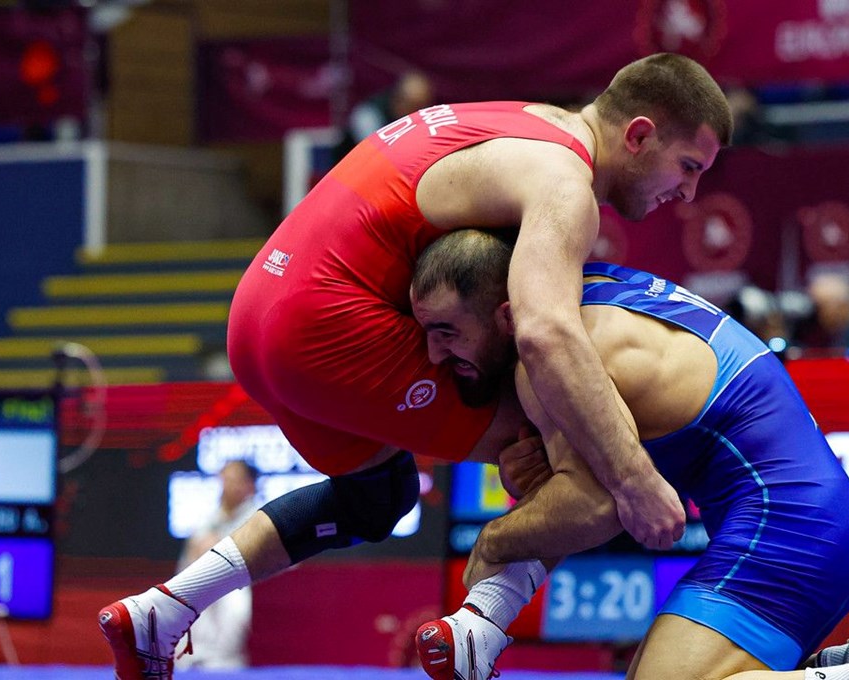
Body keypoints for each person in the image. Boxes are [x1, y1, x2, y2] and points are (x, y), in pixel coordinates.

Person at [98, 52, 732, 679]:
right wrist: (635, 480)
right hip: (322, 323)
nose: (689, 192)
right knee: (595, 460)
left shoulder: (529, 120)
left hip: (256, 313)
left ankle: (166, 608)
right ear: (639, 134)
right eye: (688, 166)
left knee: (379, 498)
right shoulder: (565, 181)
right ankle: (475, 635)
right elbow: (546, 332)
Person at [407, 230, 849, 680]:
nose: (434, 353)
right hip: (815, 523)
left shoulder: (546, 354)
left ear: (506, 316)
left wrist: (495, 537)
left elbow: (591, 508)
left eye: (447, 332)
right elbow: (571, 500)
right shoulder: (595, 290)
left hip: (789, 528)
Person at [174, 460, 259, 670]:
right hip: (199, 581)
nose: (228, 485)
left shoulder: (259, 515)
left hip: (236, 583)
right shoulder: (209, 514)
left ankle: (224, 662)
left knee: (235, 603)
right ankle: (192, 657)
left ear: (249, 485)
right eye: (225, 479)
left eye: (234, 480)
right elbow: (195, 549)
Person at [332, 70, 436, 163]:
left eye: (424, 105)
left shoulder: (423, 116)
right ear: (400, 101)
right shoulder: (368, 115)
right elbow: (377, 156)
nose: (421, 111)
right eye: (416, 106)